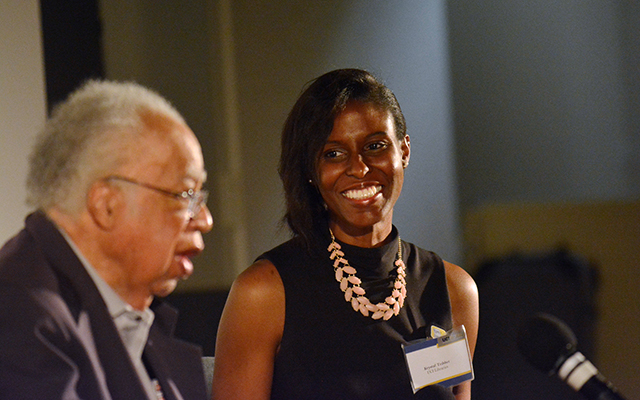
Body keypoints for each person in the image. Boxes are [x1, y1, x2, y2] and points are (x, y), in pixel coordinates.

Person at [212, 68, 479, 400]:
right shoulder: (264, 293)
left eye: (376, 145)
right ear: (311, 170)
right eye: (333, 154)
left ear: (404, 151)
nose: (359, 168)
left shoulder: (454, 290)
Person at [0, 80, 213, 400]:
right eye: (185, 194)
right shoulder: (21, 319)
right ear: (106, 205)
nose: (206, 220)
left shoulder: (125, 312)